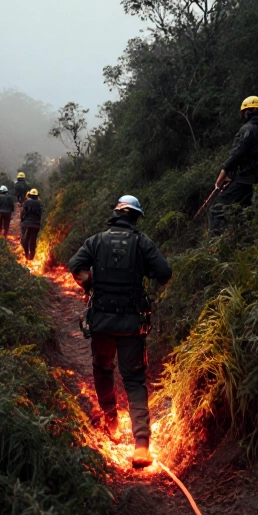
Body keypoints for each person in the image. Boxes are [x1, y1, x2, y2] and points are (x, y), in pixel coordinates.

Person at [67, 195, 172, 469]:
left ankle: (111, 423)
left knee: (102, 369)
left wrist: (89, 283)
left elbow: (74, 265)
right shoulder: (142, 243)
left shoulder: (96, 241)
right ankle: (141, 445)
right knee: (135, 380)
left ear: (116, 214)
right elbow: (164, 273)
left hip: (101, 323)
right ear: (135, 217)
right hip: (131, 326)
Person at [210, 96, 258, 234]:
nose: (243, 114)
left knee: (218, 209)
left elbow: (236, 155)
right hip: (253, 180)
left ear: (248, 112)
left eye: (244, 111)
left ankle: (215, 248)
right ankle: (240, 241)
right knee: (242, 211)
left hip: (241, 179)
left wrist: (224, 172)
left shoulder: (247, 129)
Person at [19, 188, 42, 261]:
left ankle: (26, 253)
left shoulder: (26, 202)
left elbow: (22, 213)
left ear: (30, 195)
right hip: (36, 225)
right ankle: (31, 257)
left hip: (26, 224)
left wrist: (22, 220)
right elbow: (41, 214)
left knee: (24, 239)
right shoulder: (40, 203)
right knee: (33, 240)